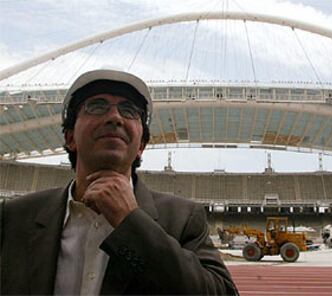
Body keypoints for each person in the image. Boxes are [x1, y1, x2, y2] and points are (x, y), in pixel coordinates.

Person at [0, 69, 238, 295]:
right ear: (70, 137)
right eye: (97, 106)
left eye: (129, 110)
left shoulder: (182, 219)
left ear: (140, 147)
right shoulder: (15, 217)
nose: (114, 117)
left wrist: (131, 222)